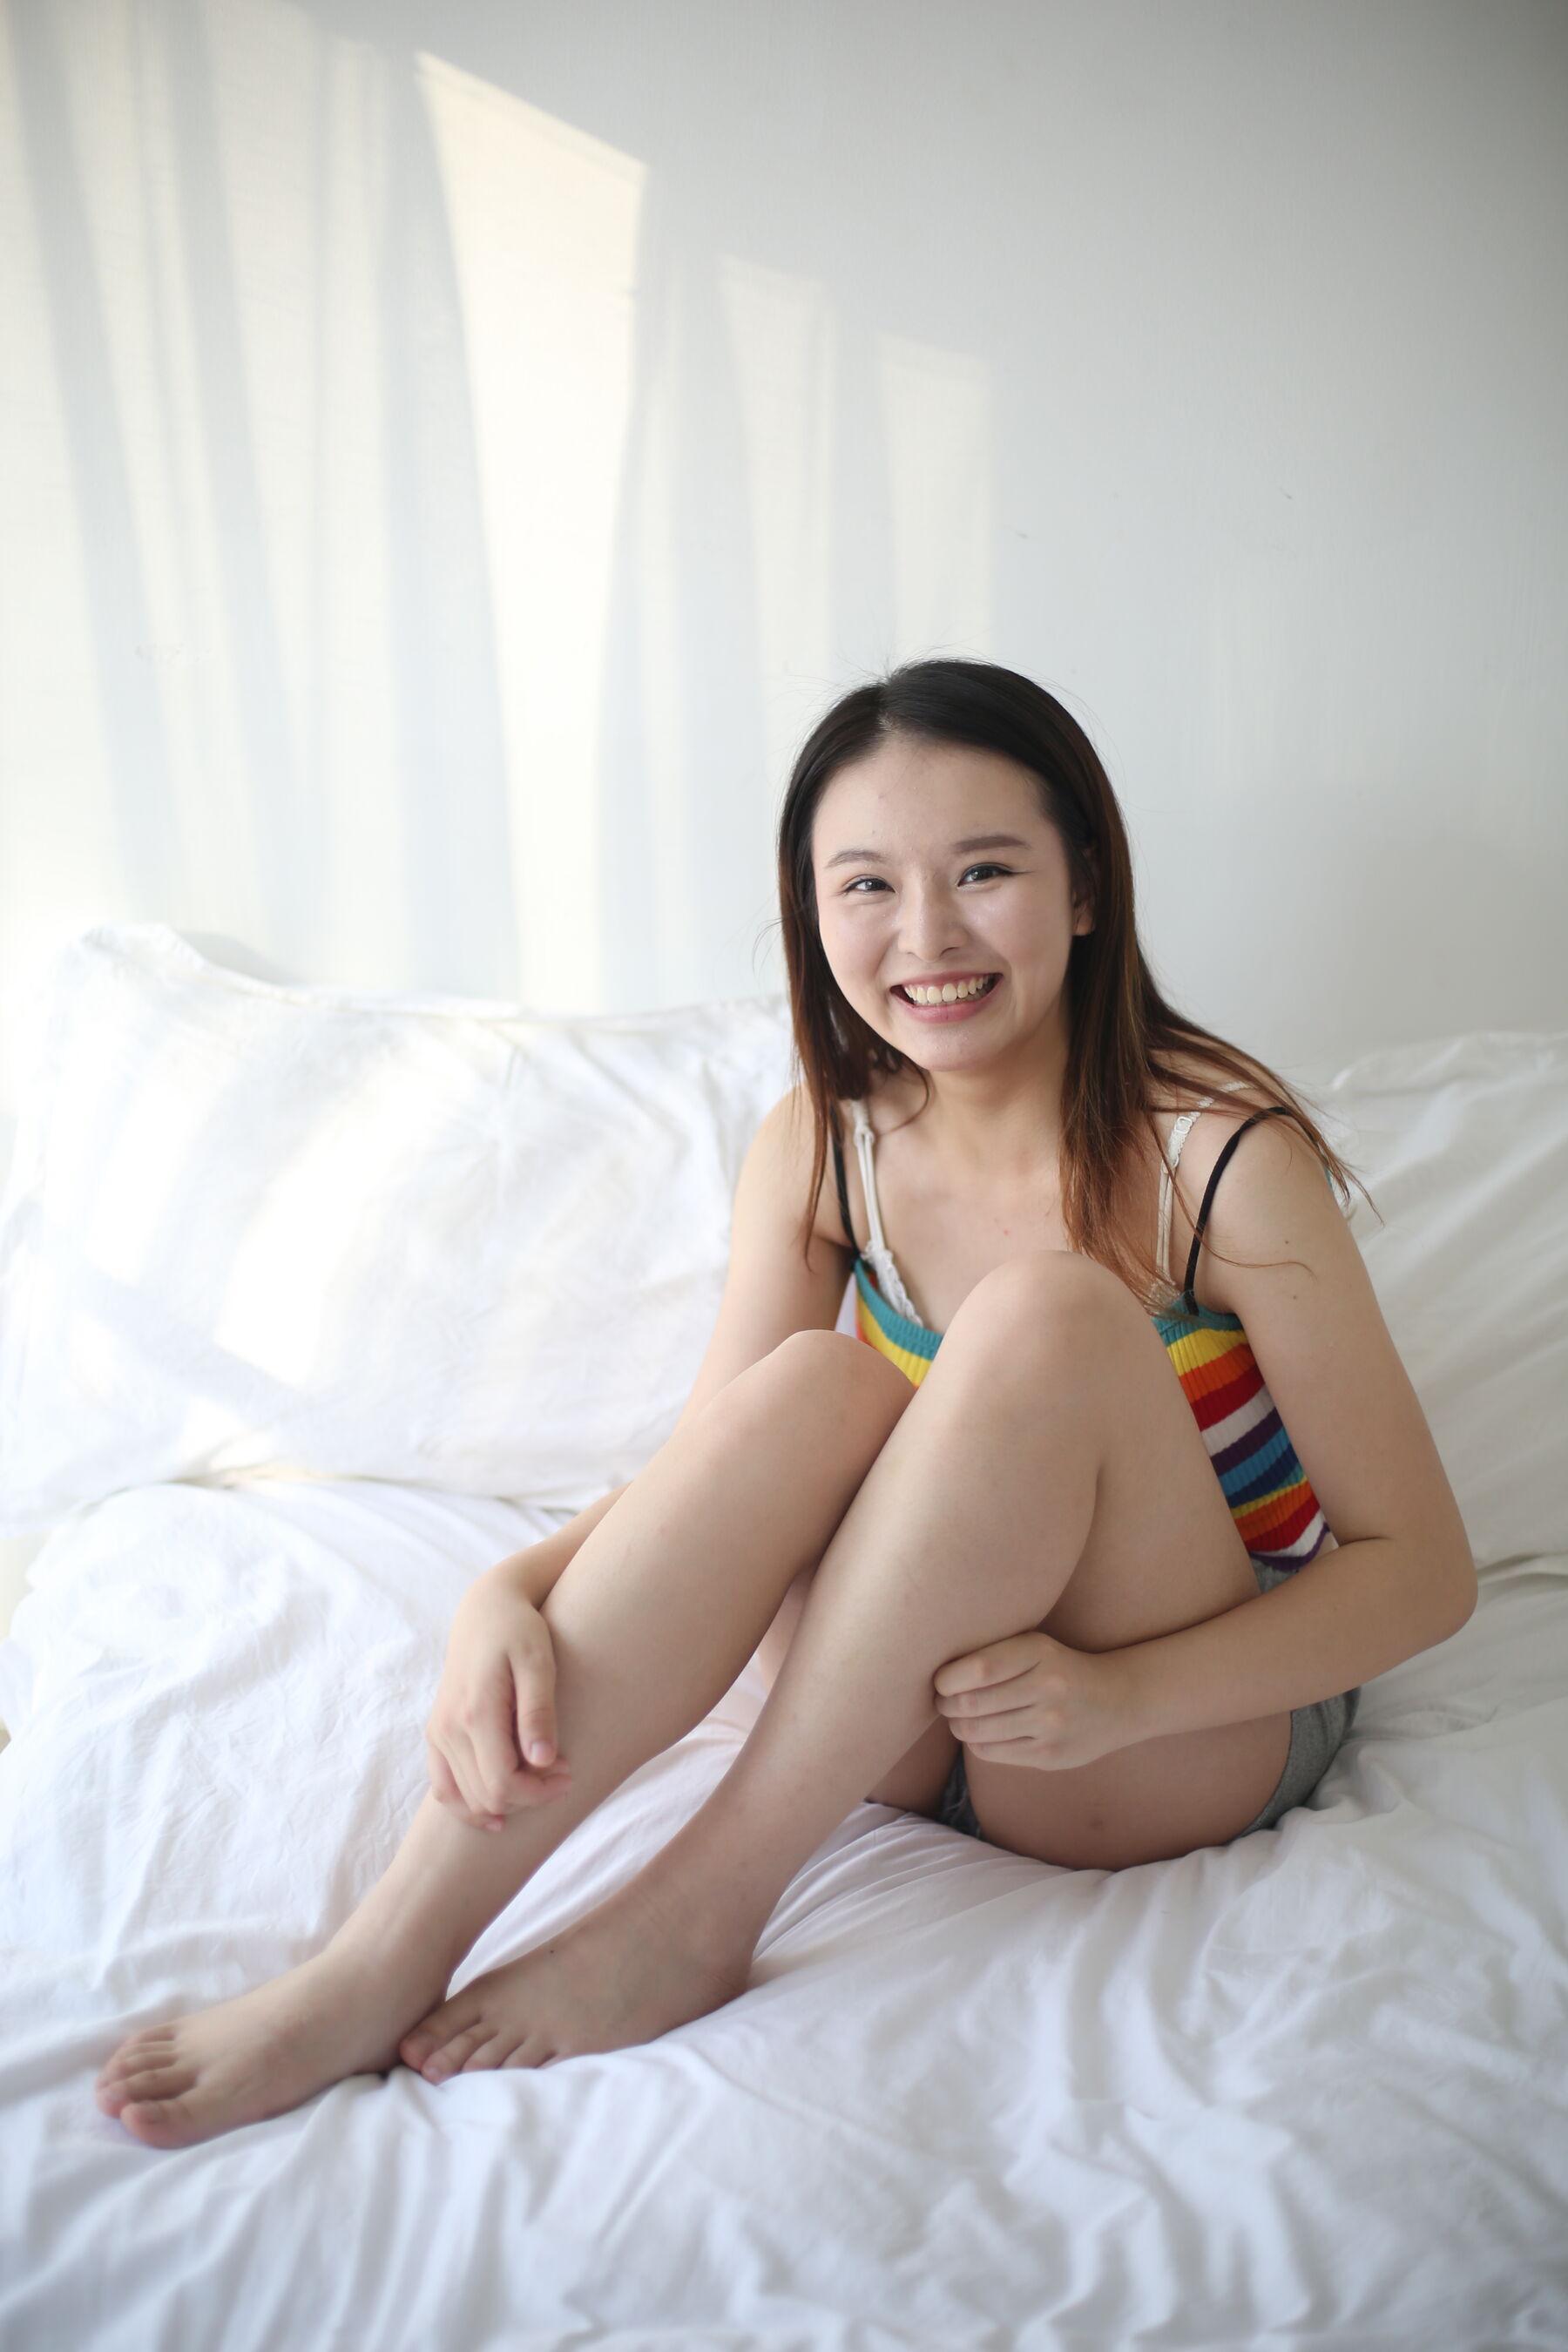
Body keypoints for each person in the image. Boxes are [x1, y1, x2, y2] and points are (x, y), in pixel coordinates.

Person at [95, 658, 1477, 2148]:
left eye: (985, 871)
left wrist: (1118, 1701)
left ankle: (699, 1910)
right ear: (813, 915)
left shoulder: (1220, 1154)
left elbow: (1422, 1571)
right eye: (868, 885)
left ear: (1085, 886)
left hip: (1143, 1742)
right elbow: (715, 1469)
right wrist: (512, 1585)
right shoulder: (827, 1144)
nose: (927, 937)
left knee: (1051, 1318)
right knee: (815, 1384)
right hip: (896, 1729)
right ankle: (379, 1962)